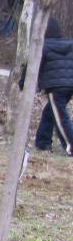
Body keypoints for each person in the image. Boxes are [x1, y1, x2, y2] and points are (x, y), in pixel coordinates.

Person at [32, 17, 73, 156]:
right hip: (69, 86)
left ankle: (70, 145)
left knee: (61, 117)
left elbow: (32, 66)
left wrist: (23, 82)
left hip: (56, 87)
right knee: (50, 112)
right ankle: (43, 142)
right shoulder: (70, 44)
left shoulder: (43, 46)